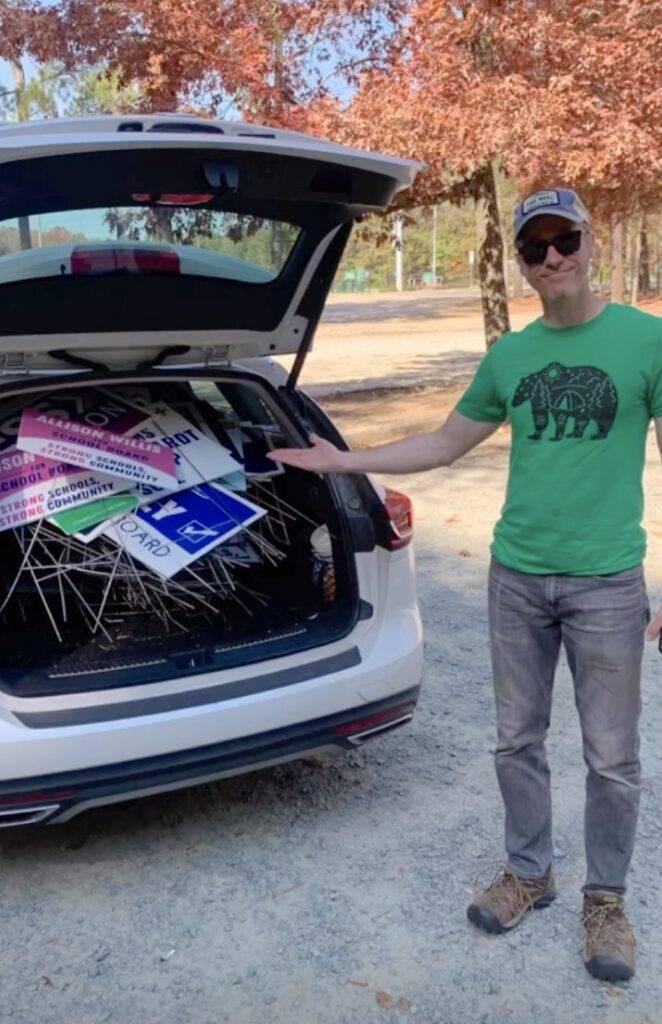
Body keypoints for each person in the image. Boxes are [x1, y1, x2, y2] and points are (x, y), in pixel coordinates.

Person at [268, 188, 662, 983]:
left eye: (564, 239)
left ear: (591, 242)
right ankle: (530, 873)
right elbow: (447, 442)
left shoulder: (647, 343)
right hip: (515, 577)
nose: (552, 257)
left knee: (612, 757)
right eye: (534, 247)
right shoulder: (510, 357)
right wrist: (345, 460)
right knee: (517, 741)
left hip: (608, 585)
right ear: (522, 263)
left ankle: (606, 901)